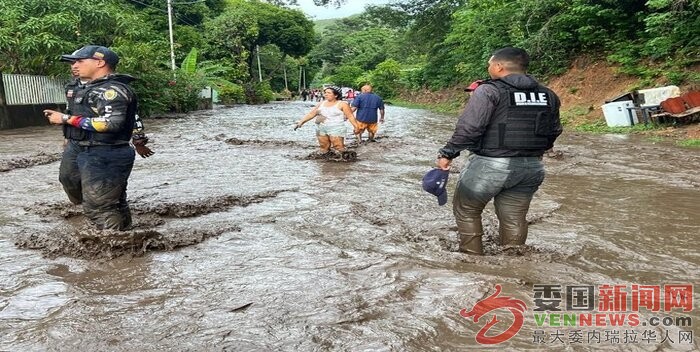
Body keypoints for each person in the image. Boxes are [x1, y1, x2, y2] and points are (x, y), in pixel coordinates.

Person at [435, 47, 562, 255]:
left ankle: (472, 261)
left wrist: (448, 153)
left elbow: (470, 127)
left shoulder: (488, 90)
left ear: (499, 66)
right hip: (532, 167)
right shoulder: (548, 94)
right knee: (515, 218)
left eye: (489, 64)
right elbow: (555, 130)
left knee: (467, 210)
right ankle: (513, 262)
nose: (488, 68)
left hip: (491, 164)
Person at [43, 45, 140, 230]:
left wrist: (65, 119)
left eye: (80, 61)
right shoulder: (79, 88)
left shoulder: (113, 91)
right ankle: (122, 228)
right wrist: (68, 139)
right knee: (69, 181)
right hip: (78, 147)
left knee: (100, 206)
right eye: (73, 62)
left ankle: (117, 248)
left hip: (106, 151)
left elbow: (111, 124)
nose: (74, 66)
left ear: (100, 62)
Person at [294, 86, 359, 158]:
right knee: (323, 148)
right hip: (321, 128)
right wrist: (301, 122)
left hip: (336, 128)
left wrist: (356, 127)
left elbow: (350, 116)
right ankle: (325, 164)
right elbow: (312, 114)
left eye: (329, 93)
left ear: (336, 95)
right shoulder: (321, 104)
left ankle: (343, 165)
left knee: (338, 148)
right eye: (325, 93)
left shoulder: (342, 104)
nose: (326, 94)